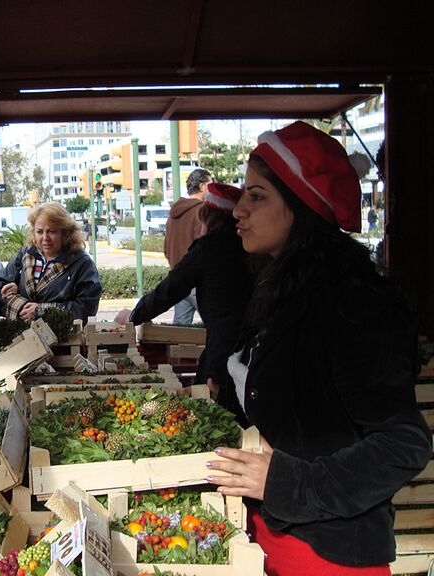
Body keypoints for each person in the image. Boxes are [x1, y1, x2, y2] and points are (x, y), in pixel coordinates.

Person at [205, 121, 432, 575]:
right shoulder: (287, 288)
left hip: (330, 553)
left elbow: (403, 443)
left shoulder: (351, 303)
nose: (238, 210)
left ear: (301, 207)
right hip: (276, 536)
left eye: (257, 196)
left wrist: (289, 482)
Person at [115, 183, 252, 420]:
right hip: (252, 352)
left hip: (222, 352)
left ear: (207, 216)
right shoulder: (251, 247)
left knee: (211, 419)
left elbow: (169, 289)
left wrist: (135, 314)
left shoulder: (209, 248)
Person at [0, 203, 102, 323]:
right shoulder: (25, 255)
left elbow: (86, 309)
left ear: (65, 233)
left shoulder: (81, 263)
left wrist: (41, 311)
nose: (45, 238)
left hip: (64, 338)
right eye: (39, 232)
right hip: (23, 337)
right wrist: (21, 305)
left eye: (52, 232)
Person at [164, 168, 213, 324]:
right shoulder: (201, 211)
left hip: (177, 277)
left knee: (179, 332)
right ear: (202, 186)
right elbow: (203, 248)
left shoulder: (173, 213)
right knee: (218, 325)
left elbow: (166, 248)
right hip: (196, 281)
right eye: (210, 184)